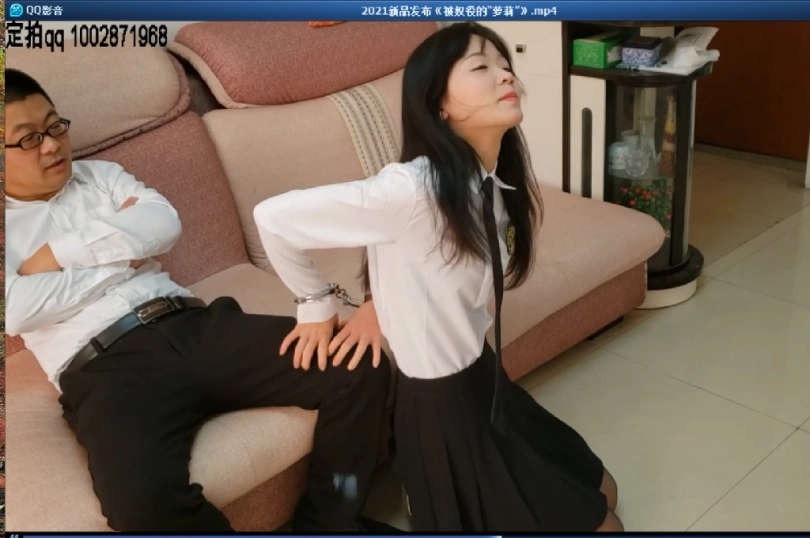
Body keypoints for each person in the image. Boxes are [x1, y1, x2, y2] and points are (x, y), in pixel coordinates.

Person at [253, 22, 624, 532]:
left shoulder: (490, 179)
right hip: (441, 407)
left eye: (504, 65)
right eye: (480, 67)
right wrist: (315, 305)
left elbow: (416, 262)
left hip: (484, 376)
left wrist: (379, 305)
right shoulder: (410, 189)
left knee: (604, 488)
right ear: (439, 105)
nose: (505, 76)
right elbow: (273, 217)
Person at [4, 68, 397, 533]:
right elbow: (18, 310)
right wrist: (124, 254)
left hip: (193, 325)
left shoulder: (101, 176)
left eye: (54, 126)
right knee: (140, 508)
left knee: (360, 365)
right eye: (29, 139)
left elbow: (163, 225)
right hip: (105, 368)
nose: (52, 145)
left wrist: (56, 256)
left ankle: (326, 526)